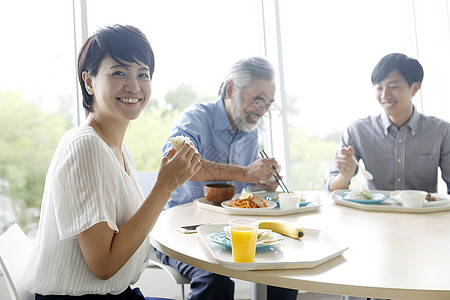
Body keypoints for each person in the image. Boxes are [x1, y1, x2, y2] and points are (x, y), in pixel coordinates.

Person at [24, 24, 201, 299]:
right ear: (89, 82)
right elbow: (103, 265)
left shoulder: (115, 147)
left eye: (143, 74)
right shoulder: (87, 146)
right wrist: (165, 186)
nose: (134, 86)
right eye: (119, 72)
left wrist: (169, 182)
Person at [155, 57, 299, 300]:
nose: (262, 110)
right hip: (181, 229)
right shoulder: (196, 118)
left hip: (226, 231)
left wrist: (263, 183)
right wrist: (245, 172)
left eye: (268, 103)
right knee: (214, 280)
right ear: (231, 89)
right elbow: (181, 164)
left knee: (283, 273)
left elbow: (246, 189)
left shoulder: (249, 134)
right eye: (258, 99)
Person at [325, 52, 450, 194]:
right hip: (373, 214)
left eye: (393, 87)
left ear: (414, 88)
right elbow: (330, 186)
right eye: (379, 88)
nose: (385, 95)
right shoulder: (358, 131)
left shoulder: (442, 131)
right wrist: (343, 177)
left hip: (423, 215)